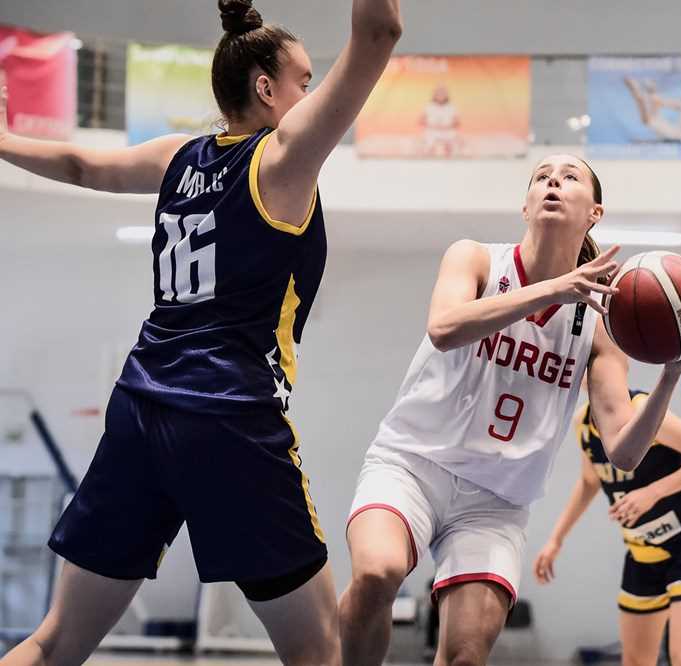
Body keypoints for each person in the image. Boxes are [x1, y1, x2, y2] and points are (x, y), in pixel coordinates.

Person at [0, 1, 401, 665]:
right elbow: (380, 30)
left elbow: (79, 164)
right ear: (266, 90)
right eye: (306, 79)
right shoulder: (284, 158)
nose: (313, 92)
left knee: (56, 640)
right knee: (320, 653)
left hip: (140, 406)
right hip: (230, 417)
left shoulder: (177, 158)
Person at [337, 153, 681, 666]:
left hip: (494, 503)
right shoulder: (474, 258)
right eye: (542, 176)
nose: (553, 182)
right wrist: (557, 287)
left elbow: (624, 451)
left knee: (467, 654)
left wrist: (672, 375)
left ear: (594, 214)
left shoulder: (599, 323)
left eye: (570, 177)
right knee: (377, 571)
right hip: (411, 465)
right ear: (526, 205)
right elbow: (445, 328)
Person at [534, 386, 681, 666]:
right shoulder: (583, 424)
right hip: (642, 552)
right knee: (636, 660)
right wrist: (556, 539)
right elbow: (590, 480)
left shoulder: (642, 410)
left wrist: (653, 492)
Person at [624, 77, 681, 143]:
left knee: (652, 118)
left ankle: (648, 90)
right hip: (676, 134)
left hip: (677, 132)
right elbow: (662, 102)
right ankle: (637, 91)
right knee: (647, 120)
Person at [420, 83, 461, 157]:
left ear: (446, 95)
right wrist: (433, 125)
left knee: (451, 144)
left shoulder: (451, 107)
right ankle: (430, 163)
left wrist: (447, 126)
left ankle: (448, 163)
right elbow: (421, 121)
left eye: (443, 93)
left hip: (448, 130)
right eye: (438, 93)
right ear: (434, 95)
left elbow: (457, 122)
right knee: (429, 146)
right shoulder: (429, 106)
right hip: (432, 130)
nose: (440, 95)